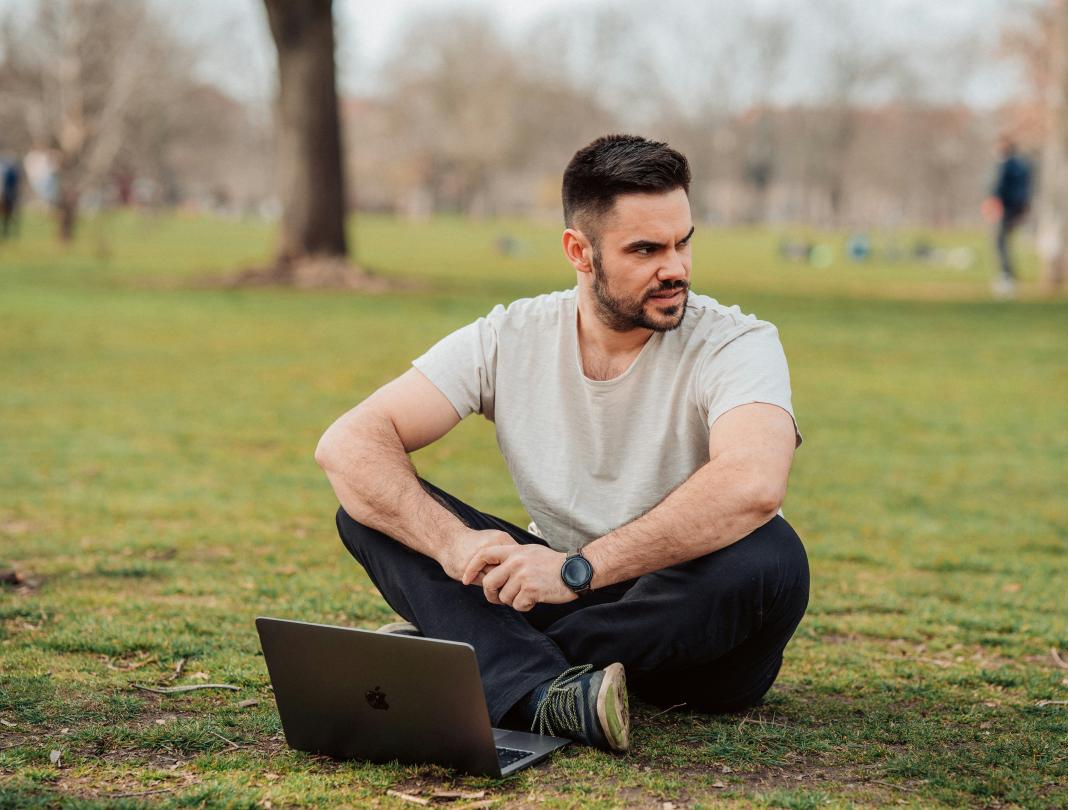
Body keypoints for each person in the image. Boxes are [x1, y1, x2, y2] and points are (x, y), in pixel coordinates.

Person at [316, 135, 810, 755]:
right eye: (646, 249)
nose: (676, 267)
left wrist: (578, 570)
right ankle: (544, 687)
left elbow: (753, 482)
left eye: (683, 241)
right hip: (555, 589)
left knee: (770, 557)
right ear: (579, 251)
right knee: (373, 510)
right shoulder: (510, 335)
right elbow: (349, 443)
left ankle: (479, 662)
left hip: (691, 624)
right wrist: (455, 546)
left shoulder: (739, 342)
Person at [985, 137, 1032, 298]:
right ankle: (1008, 275)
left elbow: (997, 189)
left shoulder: (1005, 166)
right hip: (1016, 209)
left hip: (1005, 209)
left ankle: (1006, 277)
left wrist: (993, 205)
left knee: (1000, 242)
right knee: (1004, 242)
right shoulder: (1022, 166)